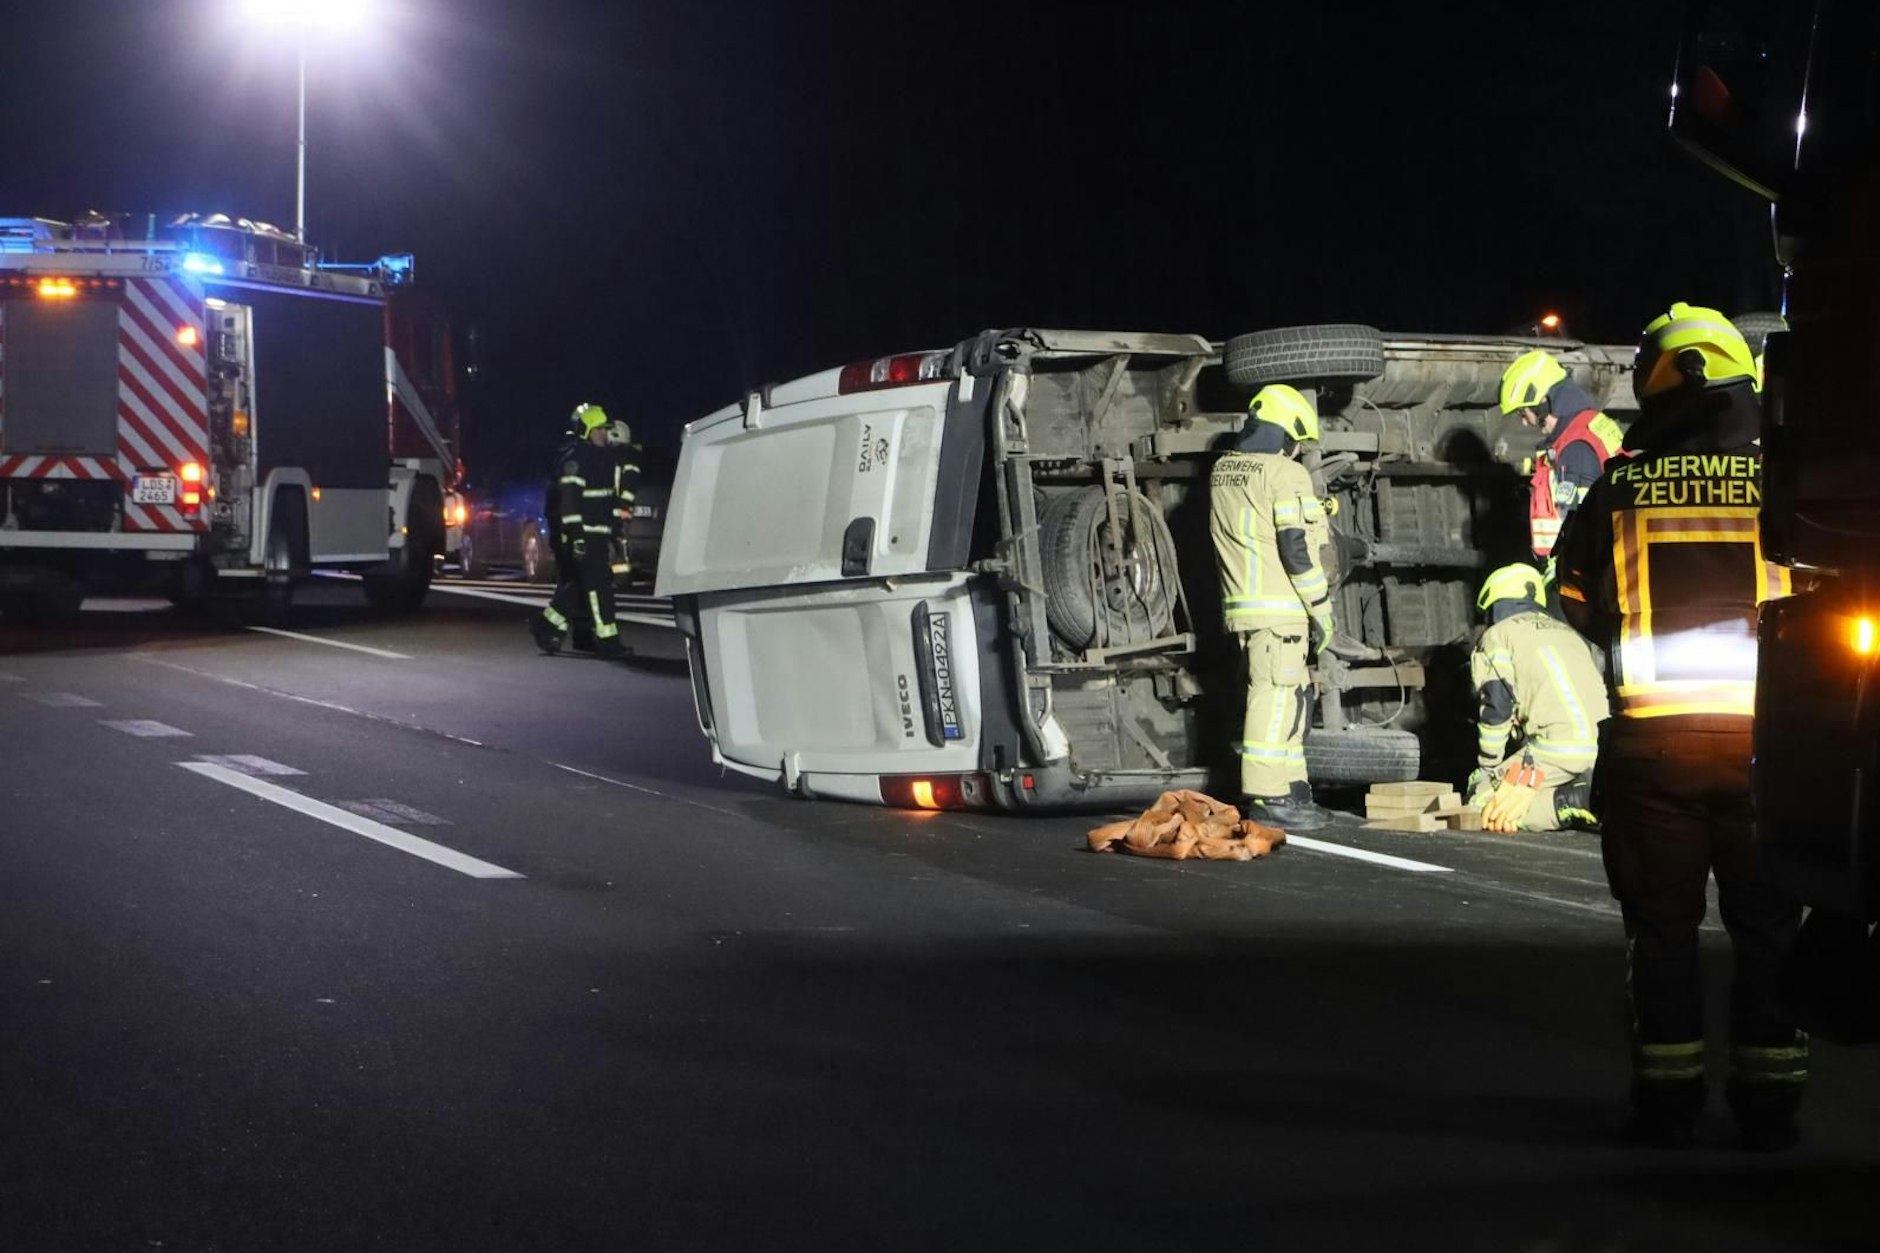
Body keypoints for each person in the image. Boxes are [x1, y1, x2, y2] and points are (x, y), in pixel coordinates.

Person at [1555, 302, 1807, 1151]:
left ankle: (1667, 1105)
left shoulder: (1616, 486)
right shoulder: (1785, 481)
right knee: (1770, 931)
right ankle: (1770, 1106)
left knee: (1661, 931)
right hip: (1770, 750)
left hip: (1654, 750)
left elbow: (1576, 602)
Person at [1208, 383, 1337, 831]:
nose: (1298, 450)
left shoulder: (1224, 470)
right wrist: (1321, 608)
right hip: (1283, 606)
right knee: (1275, 696)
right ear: (1289, 431)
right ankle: (1268, 795)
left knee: (1290, 697)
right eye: (1297, 442)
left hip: (1246, 606)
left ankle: (1293, 789)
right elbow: (1295, 548)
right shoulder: (1285, 474)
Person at [1466, 562, 1609, 833]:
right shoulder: (1571, 635)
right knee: (1529, 783)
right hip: (1601, 749)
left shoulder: (1498, 636)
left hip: (1557, 749)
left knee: (1484, 802)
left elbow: (1496, 707)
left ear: (1493, 602)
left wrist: (1489, 766)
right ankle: (1586, 790)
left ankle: (1567, 802)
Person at [1499, 349, 1626, 570]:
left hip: (1578, 574)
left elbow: (1580, 527)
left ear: (1541, 403)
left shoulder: (1575, 447)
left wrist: (1561, 574)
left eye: (1523, 413)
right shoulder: (1590, 424)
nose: (1525, 423)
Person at [530, 403, 624, 659]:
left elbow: (607, 501)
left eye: (605, 430)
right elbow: (569, 503)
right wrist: (578, 537)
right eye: (599, 430)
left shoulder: (601, 458)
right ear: (586, 431)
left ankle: (547, 624)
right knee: (599, 588)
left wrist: (614, 534)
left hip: (597, 534)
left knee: (578, 587)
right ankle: (609, 642)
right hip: (584, 535)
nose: (604, 435)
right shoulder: (576, 461)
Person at [604, 419, 641, 583]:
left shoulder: (617, 456)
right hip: (616, 508)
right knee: (617, 545)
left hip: (614, 509)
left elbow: (628, 484)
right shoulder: (627, 456)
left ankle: (620, 579)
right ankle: (619, 579)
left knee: (616, 545)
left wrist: (624, 506)